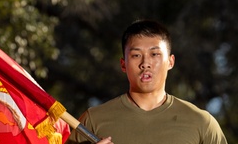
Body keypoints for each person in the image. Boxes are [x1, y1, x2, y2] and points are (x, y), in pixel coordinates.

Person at [66, 19, 227, 144]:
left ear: (170, 62)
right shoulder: (93, 120)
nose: (145, 63)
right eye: (136, 55)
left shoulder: (201, 122)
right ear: (123, 64)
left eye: (155, 54)